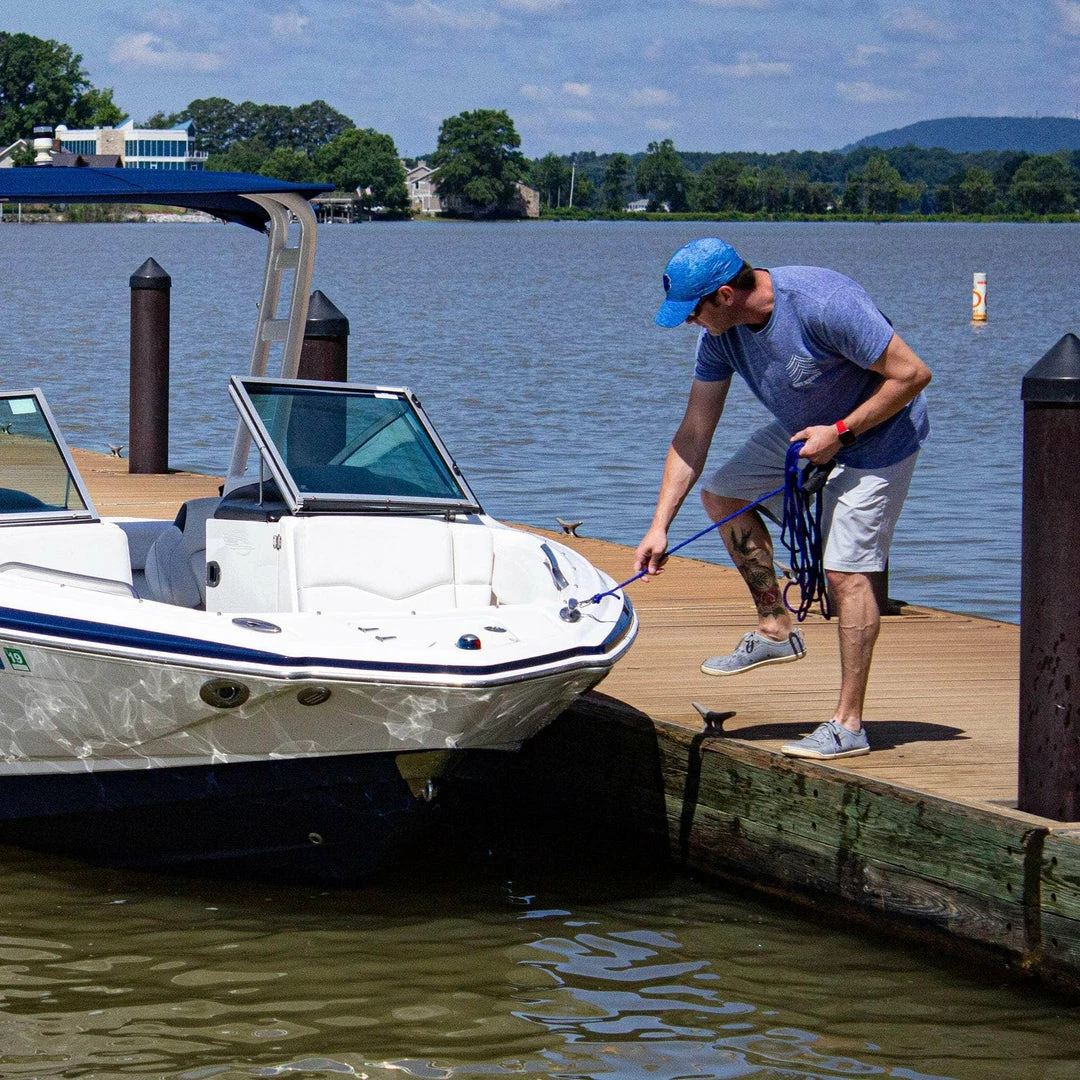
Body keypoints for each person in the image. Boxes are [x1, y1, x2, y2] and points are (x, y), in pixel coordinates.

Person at [634, 238, 931, 760]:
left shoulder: (821, 302)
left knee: (846, 573)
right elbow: (695, 431)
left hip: (881, 434)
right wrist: (659, 526)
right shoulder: (721, 337)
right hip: (804, 432)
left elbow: (911, 374)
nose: (688, 323)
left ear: (725, 295)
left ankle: (848, 726)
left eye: (692, 312)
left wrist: (840, 431)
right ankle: (775, 627)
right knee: (725, 495)